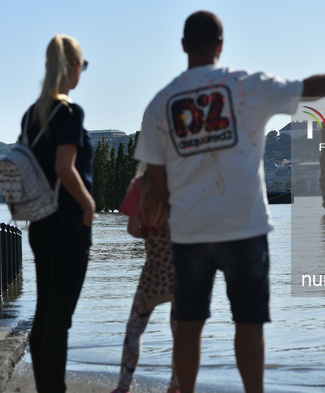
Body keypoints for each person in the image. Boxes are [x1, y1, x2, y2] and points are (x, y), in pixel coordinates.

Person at [134, 10, 325, 393]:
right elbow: (309, 88)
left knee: (188, 325)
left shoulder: (160, 102)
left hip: (188, 233)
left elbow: (154, 177)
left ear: (183, 46)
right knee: (248, 325)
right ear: (221, 45)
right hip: (244, 227)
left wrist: (176, 217)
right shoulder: (245, 86)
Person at [25, 34, 95, 393]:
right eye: (83, 65)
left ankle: (45, 387)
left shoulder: (31, 114)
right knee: (60, 319)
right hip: (68, 223)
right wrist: (89, 205)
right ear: (73, 68)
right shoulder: (69, 111)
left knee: (44, 314)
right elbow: (65, 167)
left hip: (39, 224)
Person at [112, 167, 179, 393]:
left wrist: (149, 234)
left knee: (135, 328)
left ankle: (123, 386)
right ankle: (176, 385)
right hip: (182, 267)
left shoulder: (142, 184)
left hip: (154, 269)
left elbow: (132, 229)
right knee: (181, 331)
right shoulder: (184, 181)